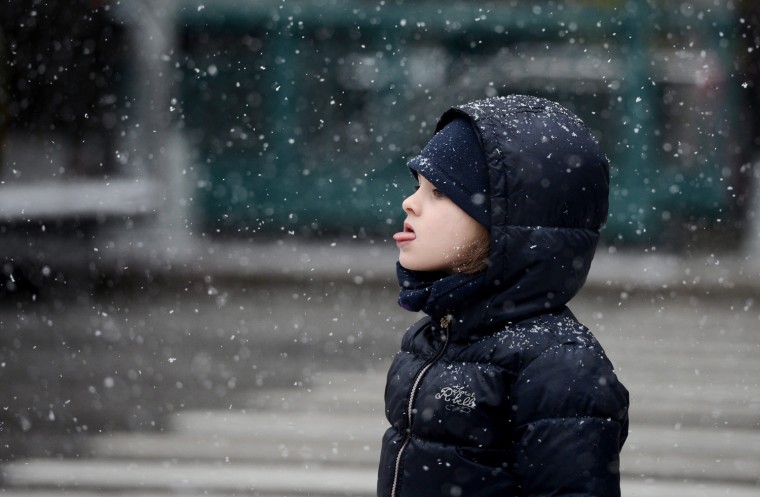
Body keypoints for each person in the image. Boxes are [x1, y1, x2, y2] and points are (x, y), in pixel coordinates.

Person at [378, 94, 630, 497]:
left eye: (440, 191)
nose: (410, 203)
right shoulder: (434, 336)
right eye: (417, 186)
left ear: (509, 218)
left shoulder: (559, 364)